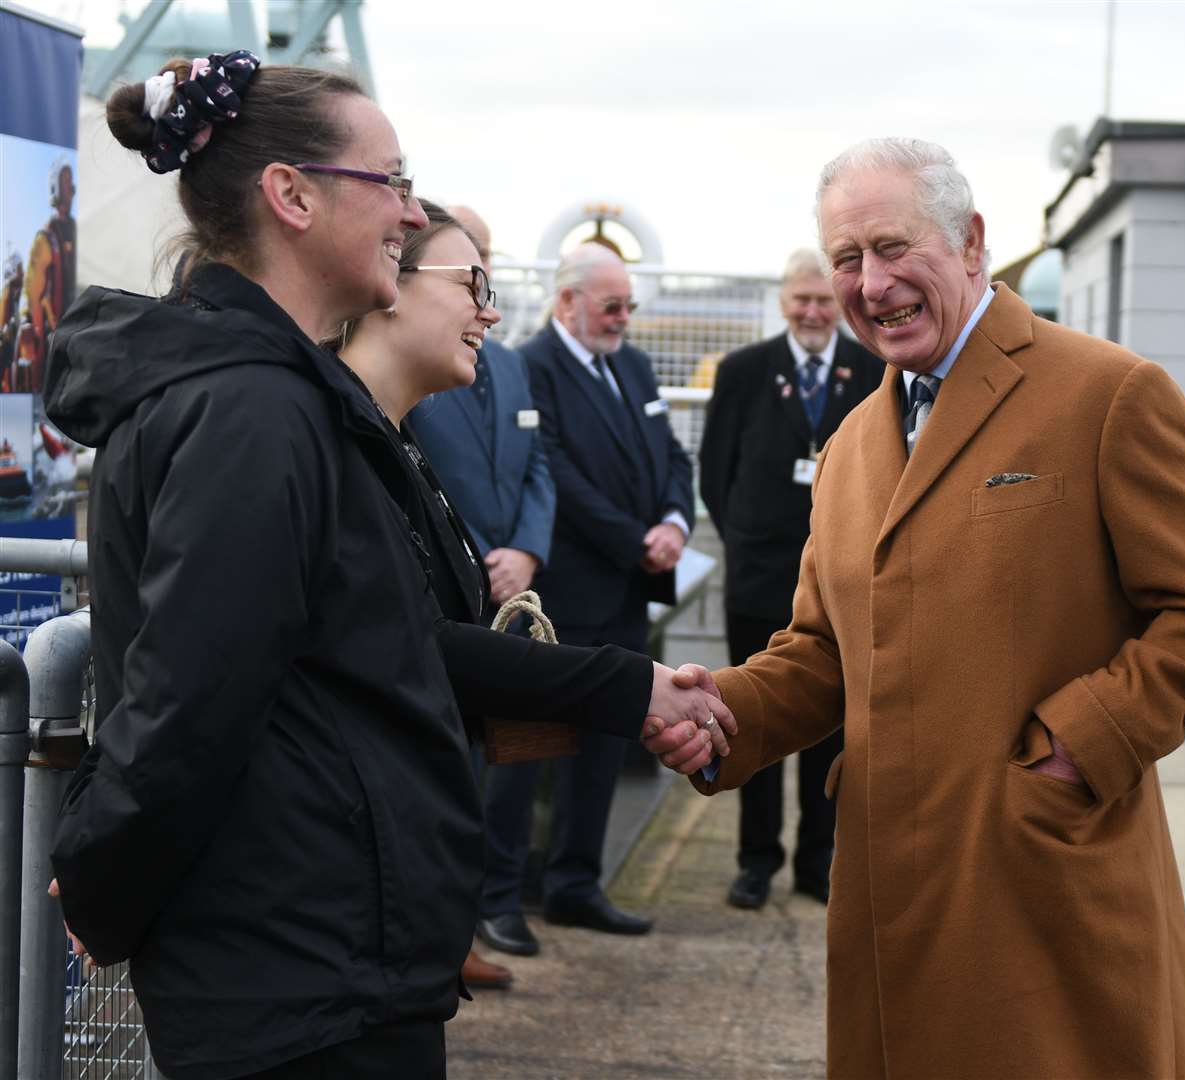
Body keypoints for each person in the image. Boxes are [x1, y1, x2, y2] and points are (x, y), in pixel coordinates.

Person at [43, 55, 725, 1080]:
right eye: (391, 182)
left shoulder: (290, 401)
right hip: (294, 981)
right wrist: (101, 884)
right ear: (292, 196)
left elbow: (378, 639)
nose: (410, 215)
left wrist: (628, 686)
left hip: (335, 961)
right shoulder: (251, 413)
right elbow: (189, 700)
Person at [655, 137, 1185, 1078]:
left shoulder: (1108, 394)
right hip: (888, 890)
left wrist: (1068, 751)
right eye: (847, 260)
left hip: (1038, 881)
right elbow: (825, 649)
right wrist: (719, 714)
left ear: (973, 242)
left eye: (894, 248)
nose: (871, 283)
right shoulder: (857, 440)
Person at [515, 243, 695, 937]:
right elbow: (555, 473)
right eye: (610, 306)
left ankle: (576, 883)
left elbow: (672, 456)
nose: (622, 319)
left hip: (626, 590)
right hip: (566, 590)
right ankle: (504, 893)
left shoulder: (633, 364)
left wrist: (676, 522)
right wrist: (636, 540)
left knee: (606, 747)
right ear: (567, 302)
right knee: (534, 752)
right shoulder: (535, 367)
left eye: (628, 307)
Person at [699, 247, 884, 910]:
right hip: (757, 575)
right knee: (745, 716)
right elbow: (714, 473)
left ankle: (818, 859)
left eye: (823, 301)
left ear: (840, 303)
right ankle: (756, 859)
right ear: (783, 301)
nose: (811, 311)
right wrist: (746, 538)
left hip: (842, 580)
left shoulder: (871, 369)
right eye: (801, 300)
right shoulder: (746, 371)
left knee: (830, 720)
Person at [405, 204, 554, 985]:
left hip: (505, 591)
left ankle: (478, 918)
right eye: (470, 276)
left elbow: (536, 466)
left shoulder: (514, 363)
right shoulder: (419, 362)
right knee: (443, 773)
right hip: (444, 590)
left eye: (489, 268)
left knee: (497, 771)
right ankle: (446, 938)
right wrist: (472, 556)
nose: (485, 299)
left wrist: (526, 549)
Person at [14, 158, 75, 392]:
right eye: (65, 183)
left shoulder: (77, 230)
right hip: (55, 331)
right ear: (56, 189)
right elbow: (32, 287)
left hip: (78, 324)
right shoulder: (46, 237)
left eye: (71, 183)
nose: (70, 189)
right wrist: (27, 319)